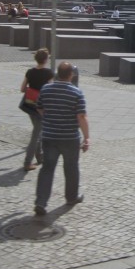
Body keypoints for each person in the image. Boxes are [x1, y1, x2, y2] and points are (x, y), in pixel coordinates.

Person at [34, 62, 90, 216]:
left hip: (49, 136)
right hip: (69, 137)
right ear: (71, 75)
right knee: (71, 168)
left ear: (58, 73)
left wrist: (49, 118)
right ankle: (71, 197)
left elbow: (39, 107)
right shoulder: (77, 92)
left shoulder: (46, 89)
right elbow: (82, 117)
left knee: (47, 169)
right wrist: (87, 138)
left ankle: (41, 202)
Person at [19, 48, 55, 171]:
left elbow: (22, 88)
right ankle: (27, 162)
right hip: (41, 107)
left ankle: (40, 157)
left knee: (38, 130)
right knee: (36, 135)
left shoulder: (30, 72)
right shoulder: (48, 73)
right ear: (46, 59)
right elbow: (51, 90)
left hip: (29, 105)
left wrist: (32, 89)